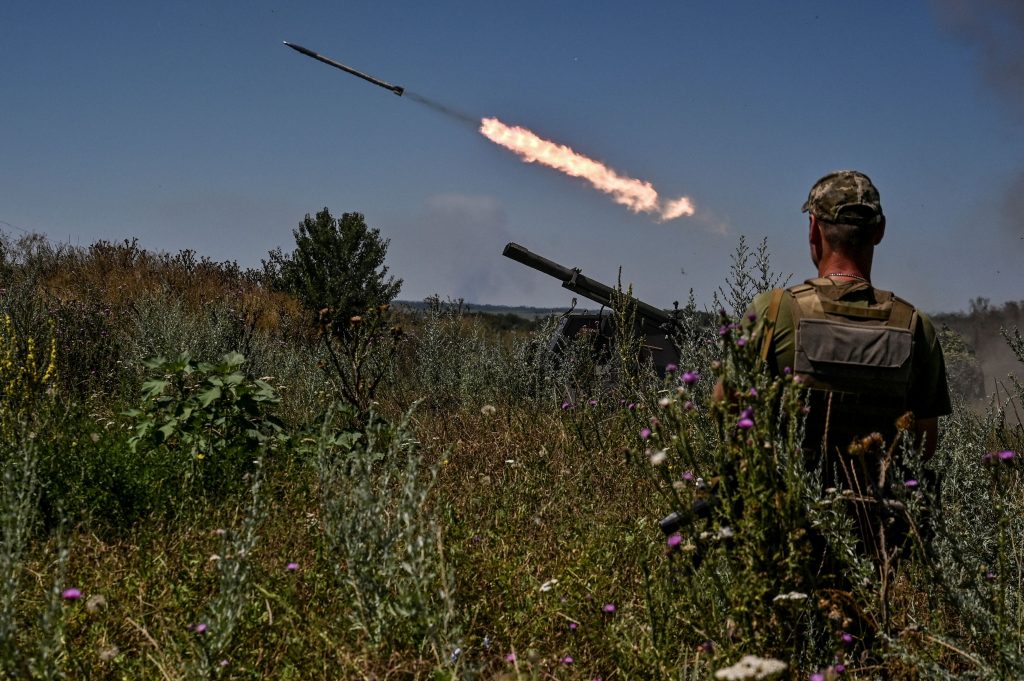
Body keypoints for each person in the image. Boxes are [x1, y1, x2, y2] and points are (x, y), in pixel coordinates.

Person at [745, 170, 951, 486]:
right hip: (882, 524)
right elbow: (924, 446)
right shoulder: (914, 326)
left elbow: (733, 419)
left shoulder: (773, 311)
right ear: (879, 231)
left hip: (790, 518)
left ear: (814, 229)